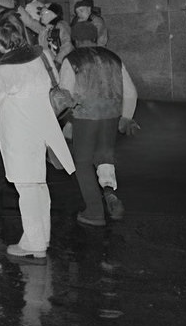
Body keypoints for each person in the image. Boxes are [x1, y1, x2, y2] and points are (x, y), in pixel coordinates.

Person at [0, 11, 74, 260]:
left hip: (19, 134)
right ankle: (39, 235)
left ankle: (34, 244)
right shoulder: (41, 55)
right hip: (41, 128)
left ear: (2, 42)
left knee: (26, 188)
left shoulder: (3, 70)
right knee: (38, 186)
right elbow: (53, 81)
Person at [58, 45, 139, 227]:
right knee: (104, 157)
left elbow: (65, 95)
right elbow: (131, 92)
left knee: (83, 162)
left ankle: (94, 212)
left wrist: (66, 121)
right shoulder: (113, 57)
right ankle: (110, 195)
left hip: (84, 116)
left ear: (76, 39)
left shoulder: (73, 59)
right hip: (111, 115)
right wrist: (126, 117)